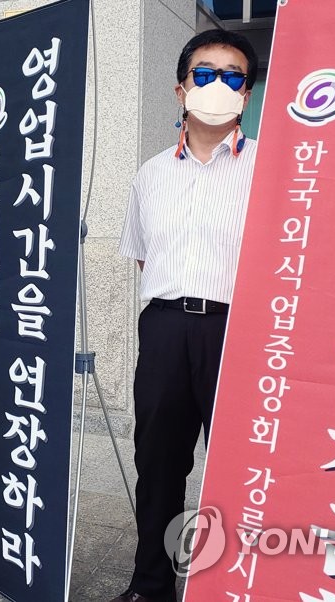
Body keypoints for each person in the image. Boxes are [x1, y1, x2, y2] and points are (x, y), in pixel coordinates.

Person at [113, 29, 259, 602]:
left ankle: (234, 587)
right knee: (158, 466)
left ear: (246, 94)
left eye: (232, 75)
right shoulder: (150, 174)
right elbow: (144, 255)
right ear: (181, 89)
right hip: (166, 328)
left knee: (242, 465)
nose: (217, 84)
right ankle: (151, 585)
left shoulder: (271, 169)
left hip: (241, 332)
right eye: (204, 73)